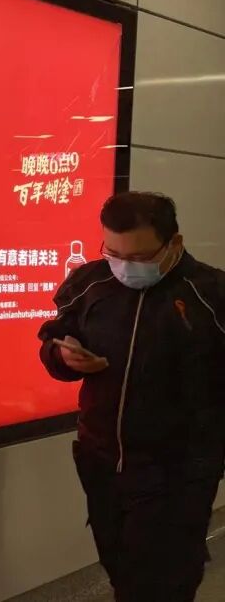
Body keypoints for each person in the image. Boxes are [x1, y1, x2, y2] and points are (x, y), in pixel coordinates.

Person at [38, 191, 225, 602]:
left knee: (162, 583)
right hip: (103, 462)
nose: (125, 267)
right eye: (114, 254)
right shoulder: (90, 283)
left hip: (178, 471)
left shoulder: (211, 294)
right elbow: (53, 341)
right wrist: (63, 356)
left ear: (174, 243)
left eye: (139, 257)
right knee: (122, 572)